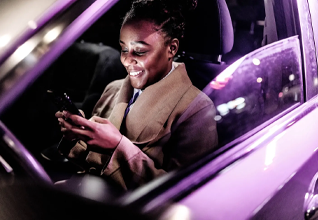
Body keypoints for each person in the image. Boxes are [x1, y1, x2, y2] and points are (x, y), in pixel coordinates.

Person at [55, 0, 218, 190]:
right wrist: (78, 135)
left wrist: (117, 146)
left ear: (171, 49)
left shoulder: (197, 109)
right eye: (124, 49)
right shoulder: (114, 89)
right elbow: (90, 165)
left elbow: (182, 191)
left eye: (139, 51)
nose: (126, 60)